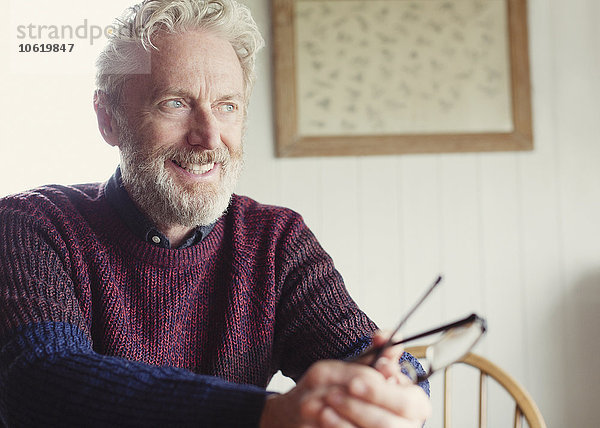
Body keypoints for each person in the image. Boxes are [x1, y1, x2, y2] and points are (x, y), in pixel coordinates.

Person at [0, 0, 431, 426]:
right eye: (175, 102)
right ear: (108, 118)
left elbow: (370, 358)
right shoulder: (32, 225)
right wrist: (266, 414)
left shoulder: (276, 241)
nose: (209, 137)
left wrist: (394, 387)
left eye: (227, 106)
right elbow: (37, 379)